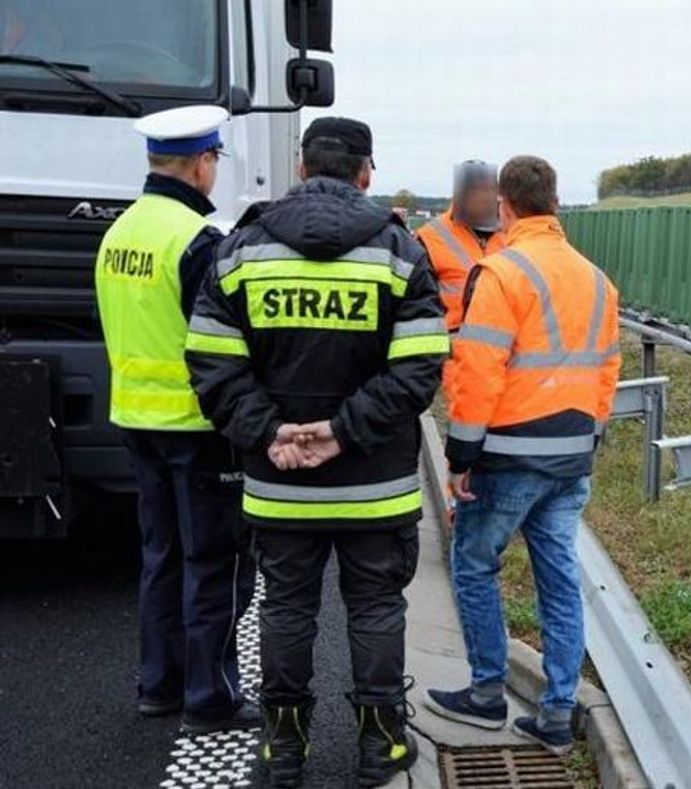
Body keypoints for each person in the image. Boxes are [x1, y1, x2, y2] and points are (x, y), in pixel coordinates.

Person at [185, 116, 447, 789]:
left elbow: (212, 361)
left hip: (279, 481)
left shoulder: (241, 251)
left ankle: (283, 750)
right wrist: (344, 430)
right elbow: (419, 368)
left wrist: (271, 431)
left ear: (301, 168)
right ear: (366, 173)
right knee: (377, 609)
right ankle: (381, 746)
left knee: (286, 609)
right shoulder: (399, 252)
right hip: (376, 483)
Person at [426, 156, 621, 754]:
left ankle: (487, 693)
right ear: (556, 203)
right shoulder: (595, 278)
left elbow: (478, 367)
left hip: (509, 454)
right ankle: (558, 711)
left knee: (474, 563)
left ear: (505, 207)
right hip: (571, 457)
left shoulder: (502, 271)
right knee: (559, 578)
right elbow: (606, 370)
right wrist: (589, 434)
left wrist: (462, 453)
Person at [94, 105, 257, 734]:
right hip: (197, 428)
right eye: (214, 160)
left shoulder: (120, 233)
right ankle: (210, 699)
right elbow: (219, 344)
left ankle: (158, 686)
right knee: (214, 564)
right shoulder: (196, 241)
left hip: (136, 419)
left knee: (160, 556)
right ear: (201, 163)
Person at [415, 161, 506, 358]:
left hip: (502, 354)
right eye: (475, 190)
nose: (482, 197)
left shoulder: (511, 233)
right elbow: (416, 306)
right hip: (450, 357)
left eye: (487, 190)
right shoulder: (430, 238)